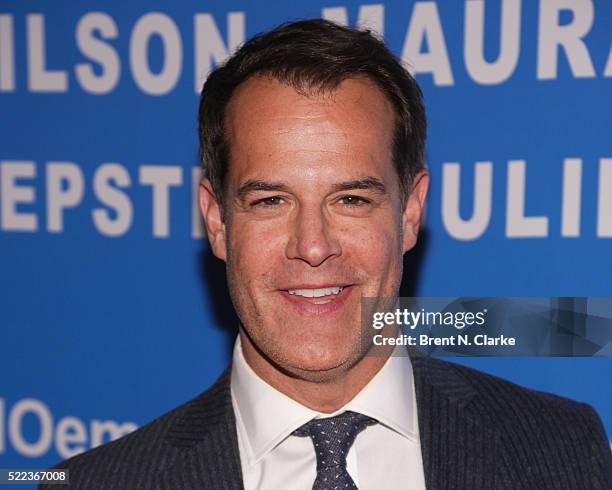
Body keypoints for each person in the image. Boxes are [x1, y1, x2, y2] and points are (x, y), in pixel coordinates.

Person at [42, 19, 611, 490]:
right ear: (217, 220)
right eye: (270, 200)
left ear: (410, 212)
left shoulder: (565, 450)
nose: (313, 247)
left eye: (352, 198)